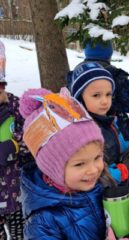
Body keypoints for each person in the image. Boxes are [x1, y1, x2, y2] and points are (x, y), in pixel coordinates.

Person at [19, 87, 107, 239]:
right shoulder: (44, 222)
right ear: (53, 169)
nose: (93, 170)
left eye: (97, 157)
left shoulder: (102, 185)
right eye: (80, 164)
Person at [73, 41, 129, 195]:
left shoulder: (111, 120)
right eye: (96, 95)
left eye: (108, 94)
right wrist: (124, 169)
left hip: (123, 188)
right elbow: (96, 177)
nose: (104, 101)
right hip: (107, 199)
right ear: (80, 98)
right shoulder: (85, 131)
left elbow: (118, 144)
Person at [0, 40, 32, 240]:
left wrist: (16, 144)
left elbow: (33, 132)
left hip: (16, 192)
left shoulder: (13, 104)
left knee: (22, 234)